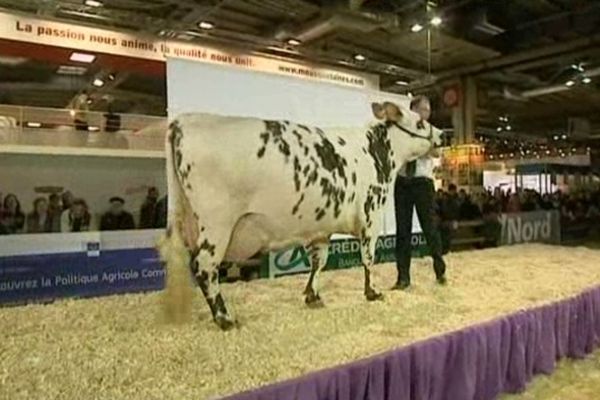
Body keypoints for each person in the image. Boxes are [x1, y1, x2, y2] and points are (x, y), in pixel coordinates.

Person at [393, 95, 447, 290]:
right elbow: (398, 151)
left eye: (428, 110)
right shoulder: (402, 130)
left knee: (430, 227)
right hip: (402, 182)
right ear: (413, 110)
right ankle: (403, 277)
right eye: (423, 109)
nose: (426, 113)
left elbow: (436, 152)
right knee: (402, 231)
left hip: (423, 182)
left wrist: (417, 148)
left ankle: (440, 269)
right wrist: (419, 148)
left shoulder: (431, 131)